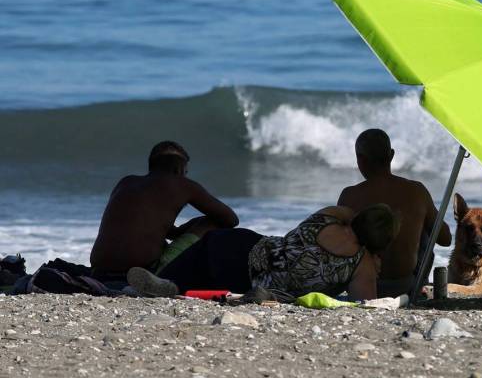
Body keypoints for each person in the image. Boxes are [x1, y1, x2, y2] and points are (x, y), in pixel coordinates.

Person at [127, 204, 400, 301]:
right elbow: (365, 305)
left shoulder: (329, 216)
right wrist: (374, 259)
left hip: (247, 252)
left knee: (210, 244)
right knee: (221, 283)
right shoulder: (361, 265)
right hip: (254, 284)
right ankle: (176, 288)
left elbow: (351, 213)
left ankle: (166, 281)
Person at [90, 141, 238, 280]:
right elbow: (231, 219)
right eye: (185, 172)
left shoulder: (126, 182)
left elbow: (143, 225)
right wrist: (196, 224)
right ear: (179, 170)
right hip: (144, 271)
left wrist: (181, 230)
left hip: (99, 270)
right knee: (210, 222)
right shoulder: (183, 185)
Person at [337, 129, 452, 297]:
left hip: (362, 285)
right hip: (406, 287)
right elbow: (445, 238)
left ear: (360, 160)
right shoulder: (417, 191)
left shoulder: (349, 195)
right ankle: (420, 287)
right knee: (428, 228)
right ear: (391, 155)